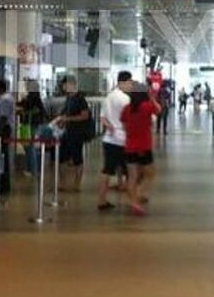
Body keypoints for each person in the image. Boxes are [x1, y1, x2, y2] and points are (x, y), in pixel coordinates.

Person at [121, 82, 162, 215]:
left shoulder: (127, 108)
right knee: (151, 173)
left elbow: (124, 126)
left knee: (132, 176)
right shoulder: (147, 106)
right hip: (144, 146)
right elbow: (159, 110)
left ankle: (133, 201)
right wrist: (152, 98)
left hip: (130, 146)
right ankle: (138, 193)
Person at [98, 71, 133, 211]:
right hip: (123, 139)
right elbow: (129, 120)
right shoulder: (125, 99)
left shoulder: (108, 97)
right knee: (131, 171)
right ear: (122, 83)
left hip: (109, 139)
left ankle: (101, 200)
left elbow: (102, 118)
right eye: (129, 83)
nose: (131, 86)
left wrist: (111, 128)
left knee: (107, 170)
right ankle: (132, 200)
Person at [54, 75, 91, 192]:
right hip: (66, 132)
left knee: (77, 159)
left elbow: (85, 116)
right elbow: (66, 114)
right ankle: (62, 183)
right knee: (62, 158)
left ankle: (77, 184)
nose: (63, 88)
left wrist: (68, 119)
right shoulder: (69, 98)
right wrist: (61, 120)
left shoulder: (80, 99)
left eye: (65, 85)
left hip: (77, 133)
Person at [18, 81, 48, 177]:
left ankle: (33, 170)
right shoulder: (36, 97)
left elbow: (25, 107)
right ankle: (34, 169)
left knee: (30, 147)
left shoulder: (31, 98)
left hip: (31, 125)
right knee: (32, 147)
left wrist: (21, 108)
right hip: (36, 124)